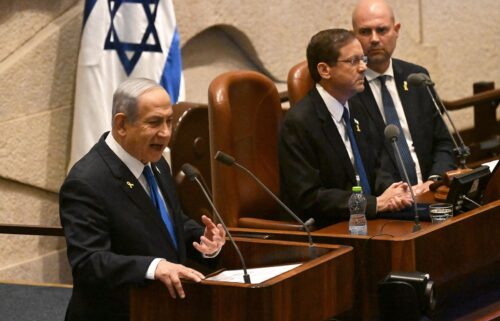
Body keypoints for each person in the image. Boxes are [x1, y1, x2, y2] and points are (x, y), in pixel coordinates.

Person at [59, 78, 226, 321]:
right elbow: (89, 262)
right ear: (122, 124)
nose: (166, 133)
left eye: (169, 121)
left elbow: (167, 221)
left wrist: (203, 241)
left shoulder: (156, 163)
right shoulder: (87, 182)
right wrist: (153, 267)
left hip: (163, 309)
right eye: (155, 122)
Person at [279, 29, 412, 228]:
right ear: (325, 70)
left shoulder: (358, 105)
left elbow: (378, 163)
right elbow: (309, 196)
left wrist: (393, 193)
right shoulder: (299, 123)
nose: (363, 68)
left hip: (374, 219)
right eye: (353, 61)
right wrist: (374, 203)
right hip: (332, 228)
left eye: (363, 59)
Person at [351, 0, 455, 195]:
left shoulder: (416, 77)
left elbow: (443, 142)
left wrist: (434, 181)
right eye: (365, 32)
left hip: (432, 192)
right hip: (388, 202)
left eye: (382, 30)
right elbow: (361, 162)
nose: (374, 39)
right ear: (353, 36)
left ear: (396, 30)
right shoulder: (348, 90)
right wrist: (400, 194)